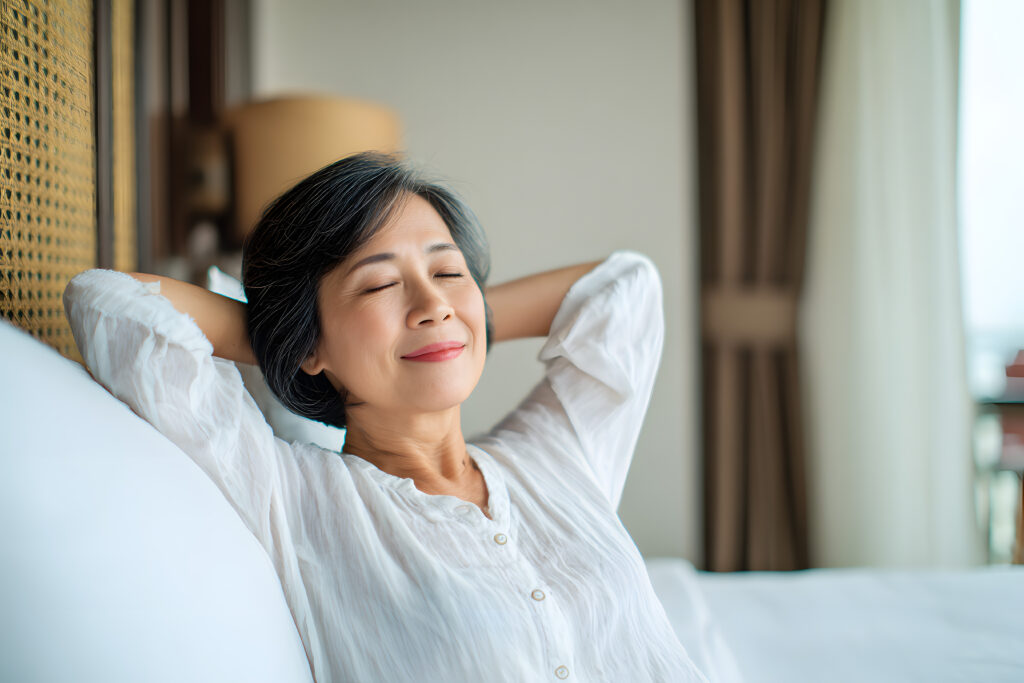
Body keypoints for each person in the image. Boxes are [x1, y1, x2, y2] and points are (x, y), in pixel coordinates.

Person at [63, 152, 708, 682]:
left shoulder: (556, 457)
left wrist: (461, 320)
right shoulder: (293, 499)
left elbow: (626, 293)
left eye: (448, 270)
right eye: (378, 285)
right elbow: (111, 304)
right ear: (311, 339)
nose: (432, 302)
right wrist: (296, 339)